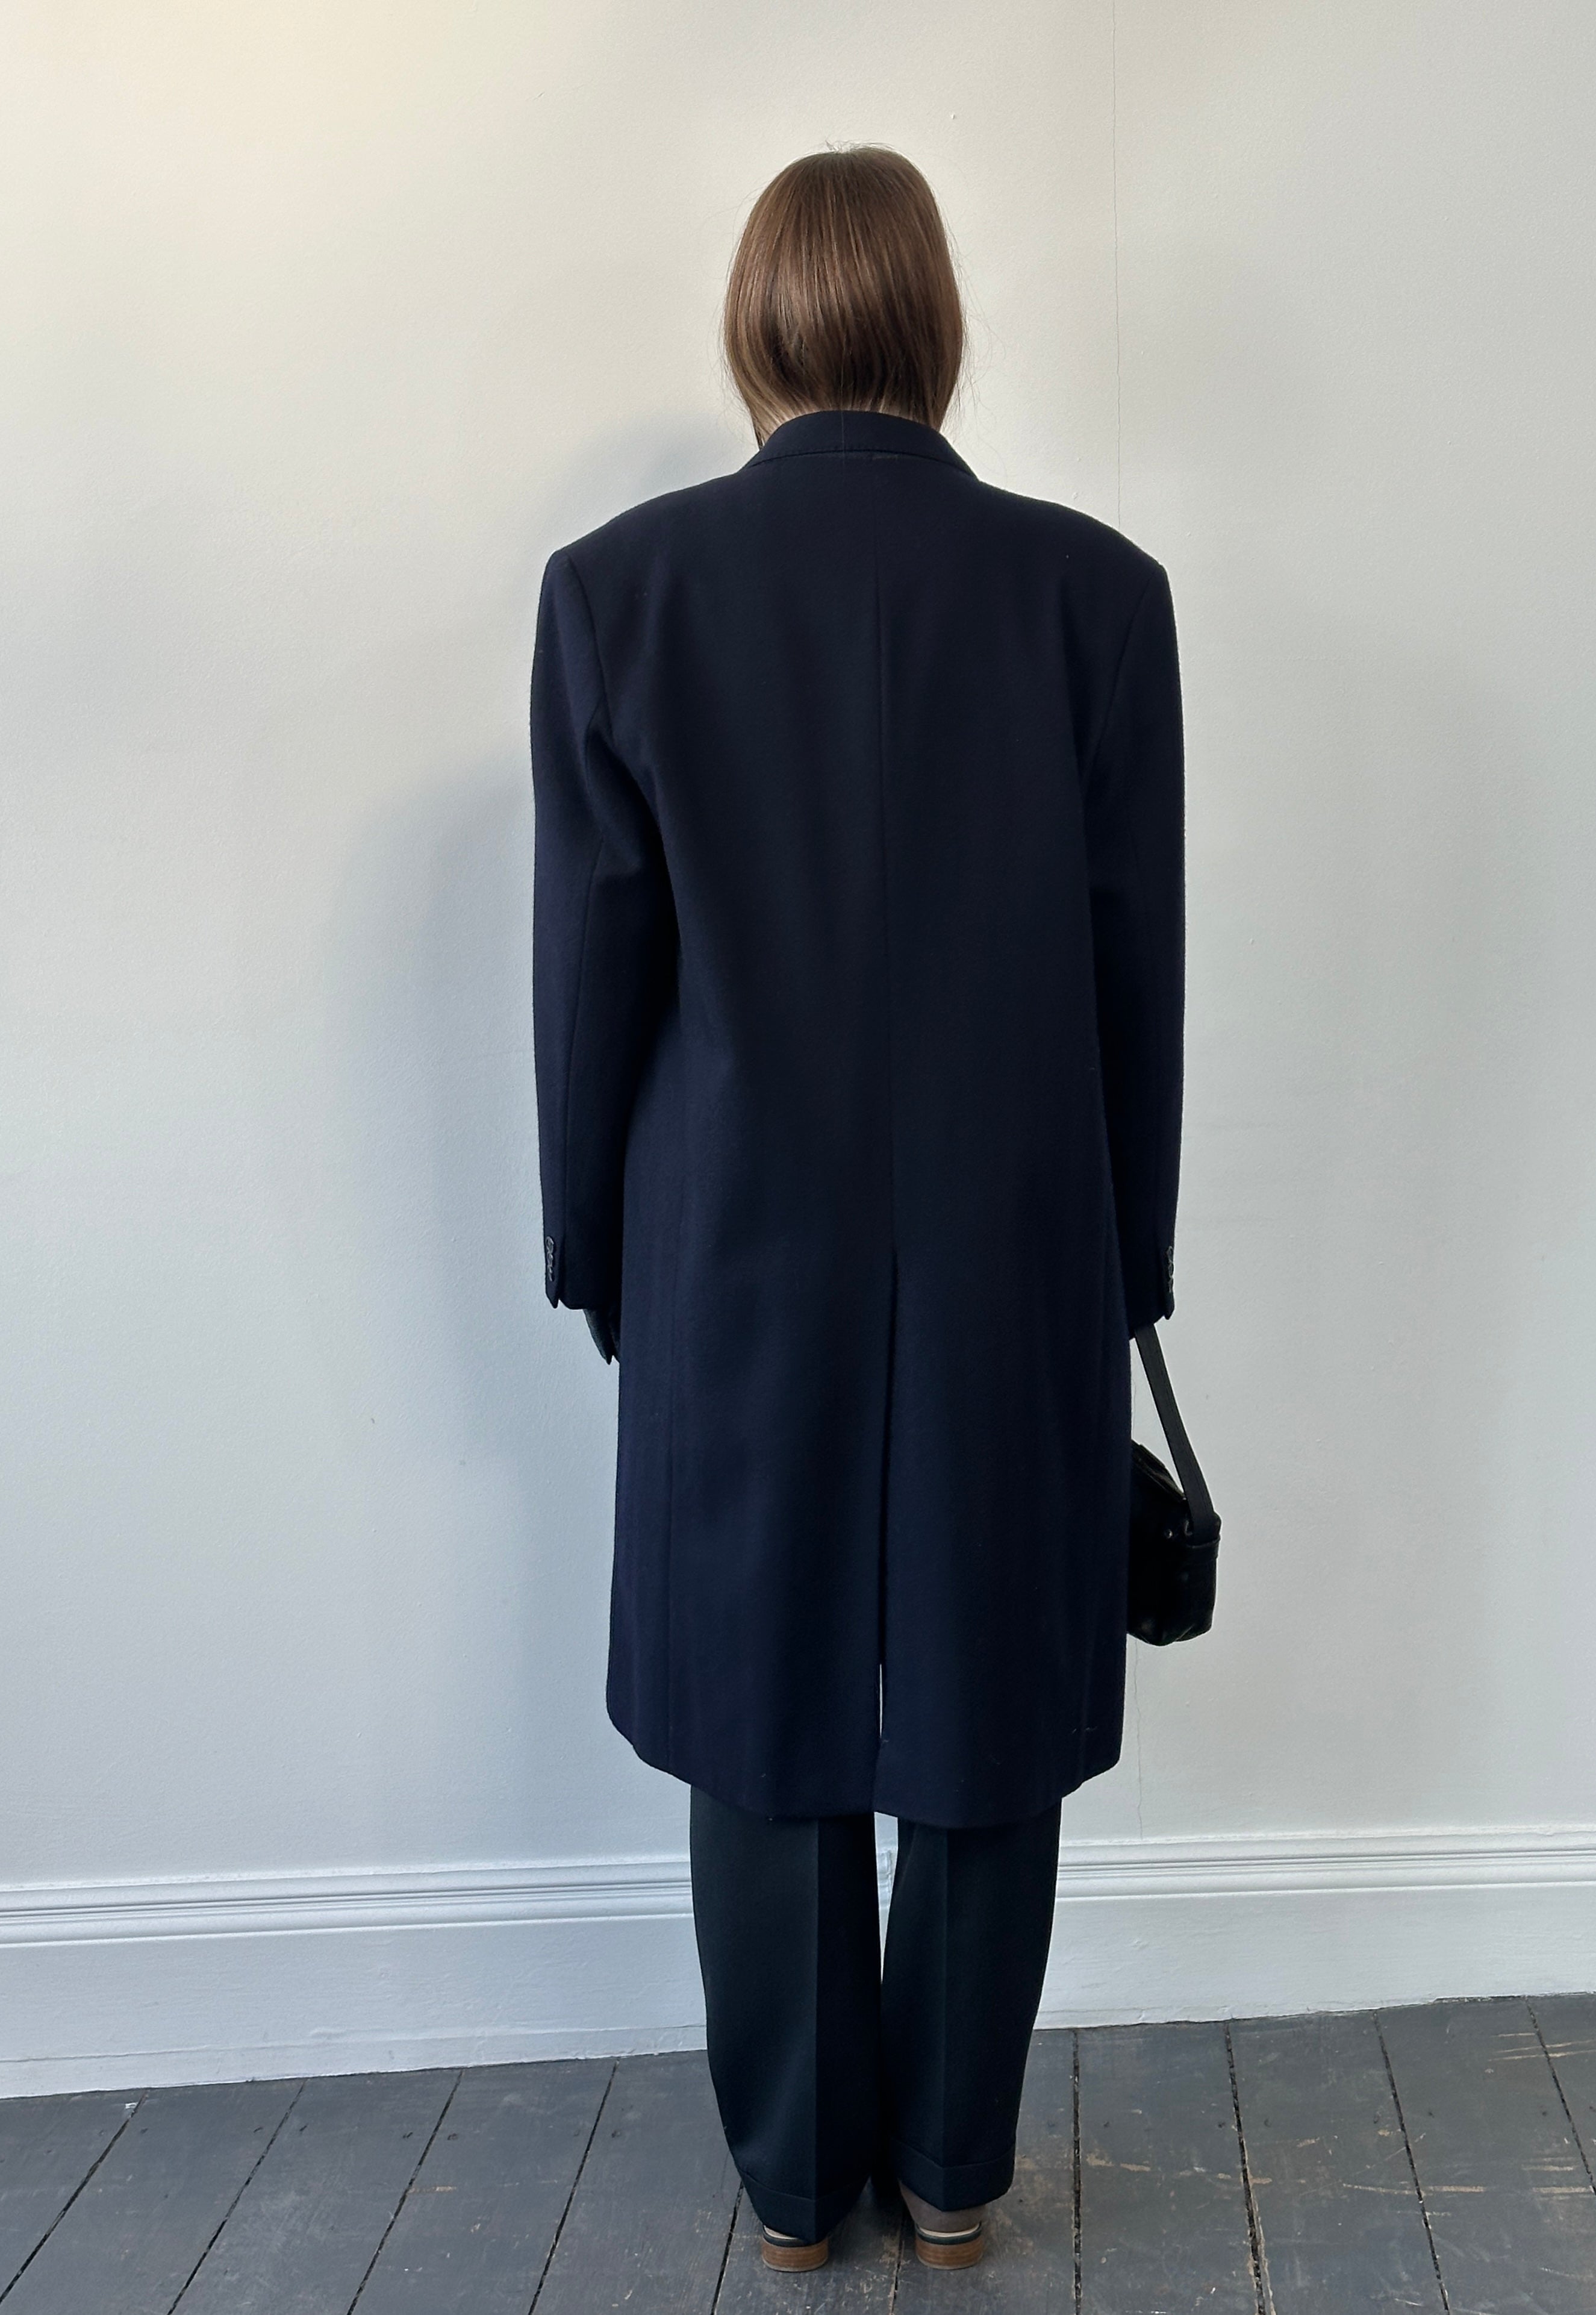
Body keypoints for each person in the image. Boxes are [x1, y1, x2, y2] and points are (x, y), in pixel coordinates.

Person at [531, 145, 1183, 2272]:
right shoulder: (1096, 595)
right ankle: (954, 2162)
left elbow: (591, 971)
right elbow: (1133, 965)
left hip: (726, 1239)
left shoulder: (619, 591)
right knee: (988, 1691)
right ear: (936, 320)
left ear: (755, 323)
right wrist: (1125, 1262)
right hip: (1017, 1238)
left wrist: (594, 1248)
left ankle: (799, 2183)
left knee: (757, 1688)